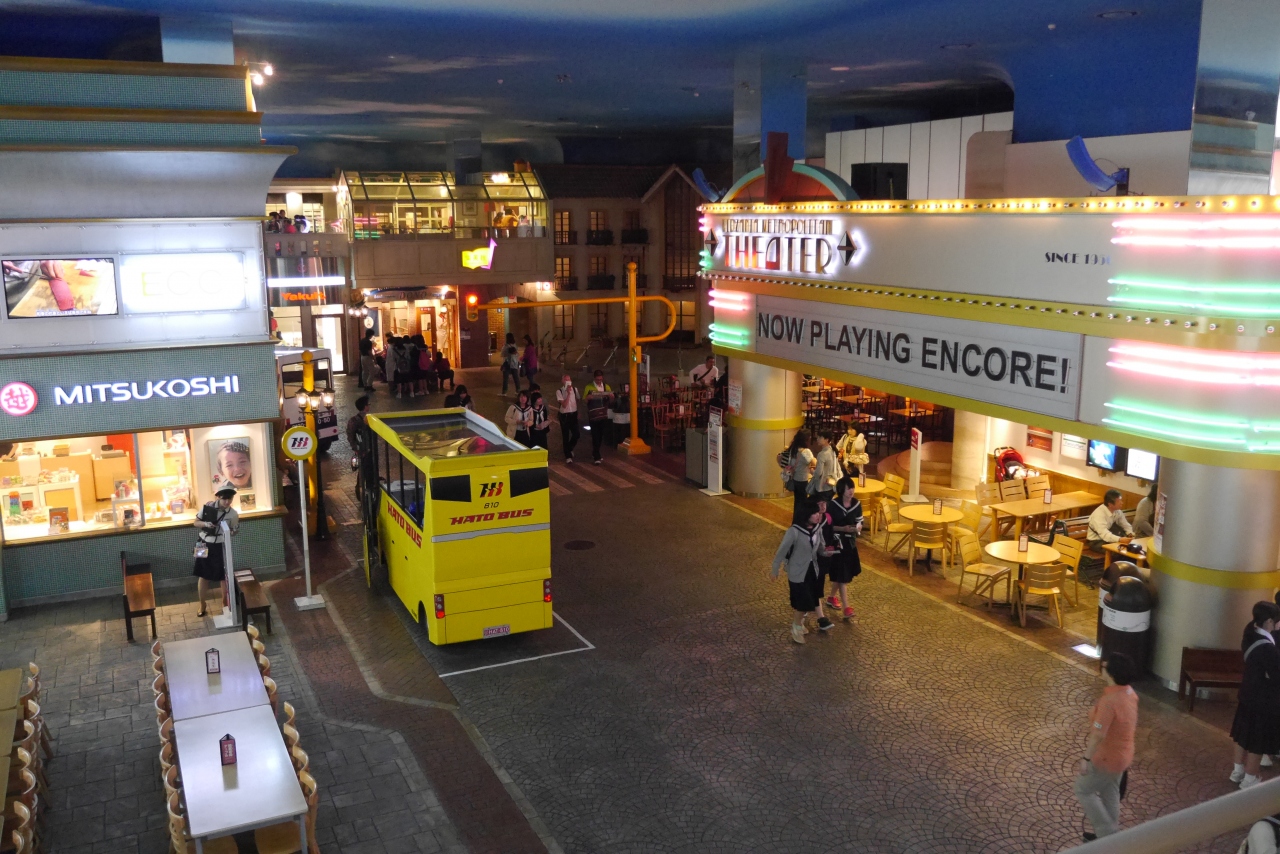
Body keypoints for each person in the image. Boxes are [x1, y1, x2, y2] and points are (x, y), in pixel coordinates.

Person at [1073, 652, 1139, 841]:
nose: (1102, 665)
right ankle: (1110, 839)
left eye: (1105, 664)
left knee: (1083, 789)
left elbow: (1098, 734)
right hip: (1122, 757)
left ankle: (1106, 833)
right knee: (1111, 793)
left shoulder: (1110, 702)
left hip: (1105, 758)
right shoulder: (1130, 693)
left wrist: (1086, 758)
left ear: (1112, 673)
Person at [1230, 602, 1280, 790]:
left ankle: (1237, 771)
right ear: (1269, 621)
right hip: (1263, 700)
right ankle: (1249, 778)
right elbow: (1276, 675)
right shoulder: (1267, 648)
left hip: (1247, 694)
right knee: (1257, 740)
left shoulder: (1249, 633)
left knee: (1242, 734)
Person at [771, 502, 835, 644]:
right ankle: (796, 626)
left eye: (818, 513)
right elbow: (781, 551)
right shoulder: (794, 531)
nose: (818, 516)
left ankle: (798, 624)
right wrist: (775, 569)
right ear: (806, 515)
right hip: (797, 571)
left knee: (810, 600)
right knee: (803, 601)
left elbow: (821, 548)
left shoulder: (817, 529)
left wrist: (828, 552)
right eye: (814, 513)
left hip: (812, 570)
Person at [192, 486, 240, 617]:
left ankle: (225, 603)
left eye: (230, 499)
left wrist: (232, 532)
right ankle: (202, 604)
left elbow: (235, 530)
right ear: (218, 497)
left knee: (223, 576)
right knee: (202, 574)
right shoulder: (208, 508)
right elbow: (195, 522)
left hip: (221, 544)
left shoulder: (233, 514)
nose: (227, 502)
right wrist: (205, 524)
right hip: (202, 543)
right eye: (224, 499)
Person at [823, 477, 863, 619]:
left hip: (849, 543)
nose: (851, 491)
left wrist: (857, 528)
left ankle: (831, 597)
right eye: (848, 488)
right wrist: (842, 528)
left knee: (842, 573)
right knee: (842, 576)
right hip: (837, 543)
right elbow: (827, 525)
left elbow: (860, 522)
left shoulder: (857, 504)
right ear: (841, 490)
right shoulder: (833, 505)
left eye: (852, 488)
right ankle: (847, 607)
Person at [779, 429, 816, 521]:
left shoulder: (793, 449)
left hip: (794, 479)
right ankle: (801, 522)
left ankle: (795, 521)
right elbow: (815, 462)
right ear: (806, 439)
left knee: (797, 502)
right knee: (803, 503)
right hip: (802, 480)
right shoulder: (806, 452)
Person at [584, 370, 612, 465]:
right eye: (597, 380)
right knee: (595, 435)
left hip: (603, 414)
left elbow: (610, 400)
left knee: (600, 435)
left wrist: (611, 396)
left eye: (600, 379)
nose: (599, 381)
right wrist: (588, 397)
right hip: (594, 415)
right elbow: (585, 400)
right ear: (594, 378)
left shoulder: (606, 387)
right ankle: (596, 456)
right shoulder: (589, 387)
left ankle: (596, 451)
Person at [807, 432, 842, 505]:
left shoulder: (822, 454)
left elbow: (818, 473)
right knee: (827, 506)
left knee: (820, 507)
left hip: (822, 486)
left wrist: (812, 471)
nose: (817, 439)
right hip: (831, 484)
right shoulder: (833, 450)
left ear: (827, 439)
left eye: (820, 437)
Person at [556, 374, 581, 463]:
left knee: (576, 434)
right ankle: (568, 456)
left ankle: (569, 448)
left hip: (573, 414)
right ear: (562, 381)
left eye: (569, 380)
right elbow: (564, 405)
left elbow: (577, 399)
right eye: (565, 380)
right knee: (565, 435)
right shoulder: (559, 391)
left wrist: (577, 410)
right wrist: (568, 394)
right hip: (564, 415)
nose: (568, 382)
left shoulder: (575, 389)